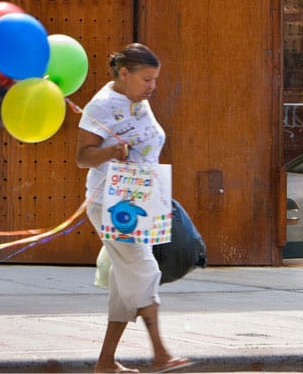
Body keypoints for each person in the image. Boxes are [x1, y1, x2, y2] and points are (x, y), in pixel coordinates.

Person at [75, 43, 192, 374]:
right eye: (146, 79)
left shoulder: (138, 100)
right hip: (112, 201)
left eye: (155, 79)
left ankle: (105, 362)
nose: (152, 87)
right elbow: (83, 157)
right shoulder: (101, 106)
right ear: (124, 74)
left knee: (125, 281)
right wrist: (111, 152)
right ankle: (160, 353)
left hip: (141, 195)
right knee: (143, 270)